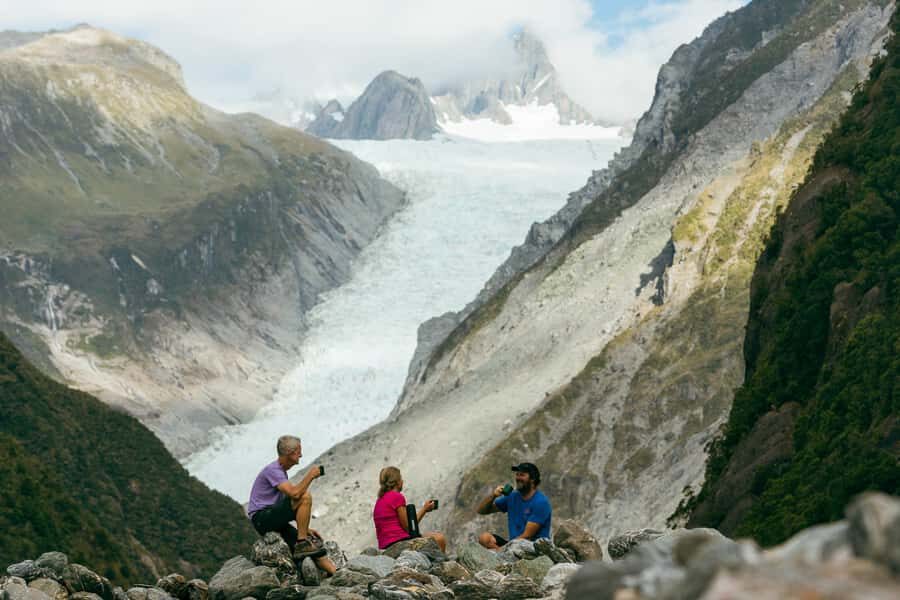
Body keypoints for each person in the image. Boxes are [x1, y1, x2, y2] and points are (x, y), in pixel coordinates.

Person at [247, 435, 336, 574]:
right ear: (290, 453)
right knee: (305, 496)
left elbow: (288, 507)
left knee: (311, 545)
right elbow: (295, 495)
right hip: (262, 518)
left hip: (271, 518)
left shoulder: (280, 472)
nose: (301, 454)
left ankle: (336, 573)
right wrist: (311, 475)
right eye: (298, 451)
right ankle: (302, 543)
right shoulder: (273, 470)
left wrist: (305, 529)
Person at [476, 462, 551, 550]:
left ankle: (503, 557)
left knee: (517, 544)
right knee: (484, 538)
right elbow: (482, 511)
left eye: (522, 475)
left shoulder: (541, 502)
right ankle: (503, 557)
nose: (518, 478)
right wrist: (494, 496)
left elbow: (527, 536)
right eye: (517, 475)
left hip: (532, 548)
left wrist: (505, 549)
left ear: (533, 479)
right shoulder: (512, 496)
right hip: (513, 545)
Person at [373, 466, 447, 552]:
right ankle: (442, 565)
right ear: (397, 482)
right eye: (400, 478)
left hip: (385, 545)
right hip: (399, 543)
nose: (402, 481)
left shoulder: (379, 500)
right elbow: (409, 527)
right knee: (439, 538)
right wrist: (424, 509)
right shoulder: (396, 497)